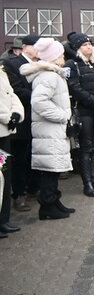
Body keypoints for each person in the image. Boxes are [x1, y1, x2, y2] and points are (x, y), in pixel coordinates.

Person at [20, 37, 75, 220]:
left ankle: (53, 202)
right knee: (50, 170)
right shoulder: (50, 76)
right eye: (61, 54)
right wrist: (62, 116)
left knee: (53, 169)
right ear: (54, 57)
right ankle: (47, 206)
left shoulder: (52, 74)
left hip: (51, 131)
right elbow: (38, 102)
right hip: (50, 130)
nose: (64, 57)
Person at [65, 32, 94, 197]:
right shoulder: (72, 64)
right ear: (77, 48)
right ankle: (87, 183)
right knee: (86, 146)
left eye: (90, 43)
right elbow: (75, 89)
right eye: (85, 45)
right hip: (85, 112)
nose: (89, 47)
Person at [4, 34, 40, 212]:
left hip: (38, 118)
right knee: (19, 158)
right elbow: (16, 90)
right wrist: (41, 97)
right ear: (25, 47)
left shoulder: (41, 64)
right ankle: (19, 194)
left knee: (35, 155)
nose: (39, 50)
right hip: (22, 118)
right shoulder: (12, 64)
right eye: (36, 46)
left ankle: (34, 188)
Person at [0, 67, 25, 237]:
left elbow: (12, 95)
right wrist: (7, 117)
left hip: (5, 132)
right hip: (3, 124)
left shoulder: (2, 73)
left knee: (5, 176)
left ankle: (4, 219)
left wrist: (16, 113)